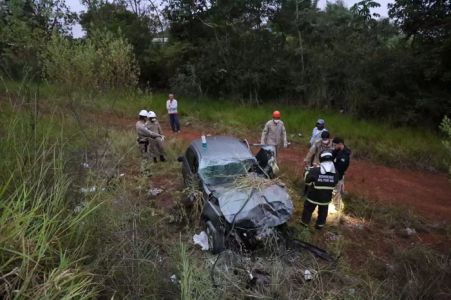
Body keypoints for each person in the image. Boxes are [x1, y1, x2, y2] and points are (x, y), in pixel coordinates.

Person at [301, 150, 339, 229]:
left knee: (308, 209)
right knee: (323, 211)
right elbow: (335, 182)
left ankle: (304, 223)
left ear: (321, 159)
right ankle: (320, 225)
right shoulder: (335, 172)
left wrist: (308, 170)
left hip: (313, 196)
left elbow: (306, 179)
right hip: (326, 198)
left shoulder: (315, 170)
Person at [136, 110, 163, 176]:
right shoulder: (141, 126)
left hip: (144, 142)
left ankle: (145, 171)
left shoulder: (138, 123)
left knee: (146, 157)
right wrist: (159, 135)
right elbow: (150, 133)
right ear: (144, 117)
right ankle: (143, 172)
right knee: (145, 158)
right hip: (143, 143)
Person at [331, 137, 351, 210]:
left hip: (338, 176)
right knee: (332, 192)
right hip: (333, 174)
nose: (334, 147)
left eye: (335, 145)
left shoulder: (345, 156)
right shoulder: (336, 151)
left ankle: (338, 209)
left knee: (336, 192)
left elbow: (341, 168)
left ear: (340, 144)